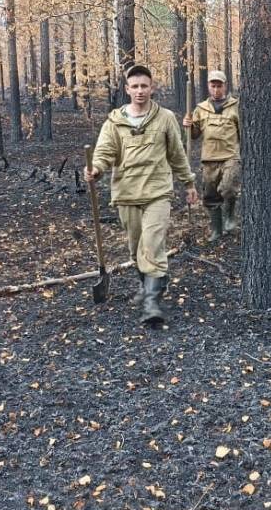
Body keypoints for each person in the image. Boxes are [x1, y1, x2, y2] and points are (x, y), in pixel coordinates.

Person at [85, 65, 198, 325]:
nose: (139, 91)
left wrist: (188, 183)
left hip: (158, 193)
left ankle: (152, 305)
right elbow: (104, 153)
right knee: (136, 250)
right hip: (126, 194)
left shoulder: (165, 118)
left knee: (153, 244)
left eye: (144, 86)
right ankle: (152, 284)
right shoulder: (114, 122)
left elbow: (177, 154)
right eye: (134, 86)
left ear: (152, 88)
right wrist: (96, 169)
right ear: (127, 89)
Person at [183, 70, 241, 243]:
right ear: (208, 86)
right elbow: (194, 135)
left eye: (219, 86)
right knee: (210, 196)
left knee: (228, 188)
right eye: (213, 86)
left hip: (230, 156)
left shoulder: (235, 106)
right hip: (209, 158)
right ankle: (216, 229)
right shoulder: (200, 109)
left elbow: (243, 132)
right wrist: (188, 125)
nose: (216, 90)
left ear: (225, 86)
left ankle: (230, 217)